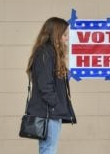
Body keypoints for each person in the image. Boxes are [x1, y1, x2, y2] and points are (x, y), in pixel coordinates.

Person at [26, 17, 77, 154]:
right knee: (48, 150)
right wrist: (55, 104)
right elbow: (45, 85)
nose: (67, 38)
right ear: (56, 34)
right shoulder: (45, 53)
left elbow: (50, 80)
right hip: (49, 112)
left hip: (51, 112)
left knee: (48, 149)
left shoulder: (50, 53)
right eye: (65, 35)